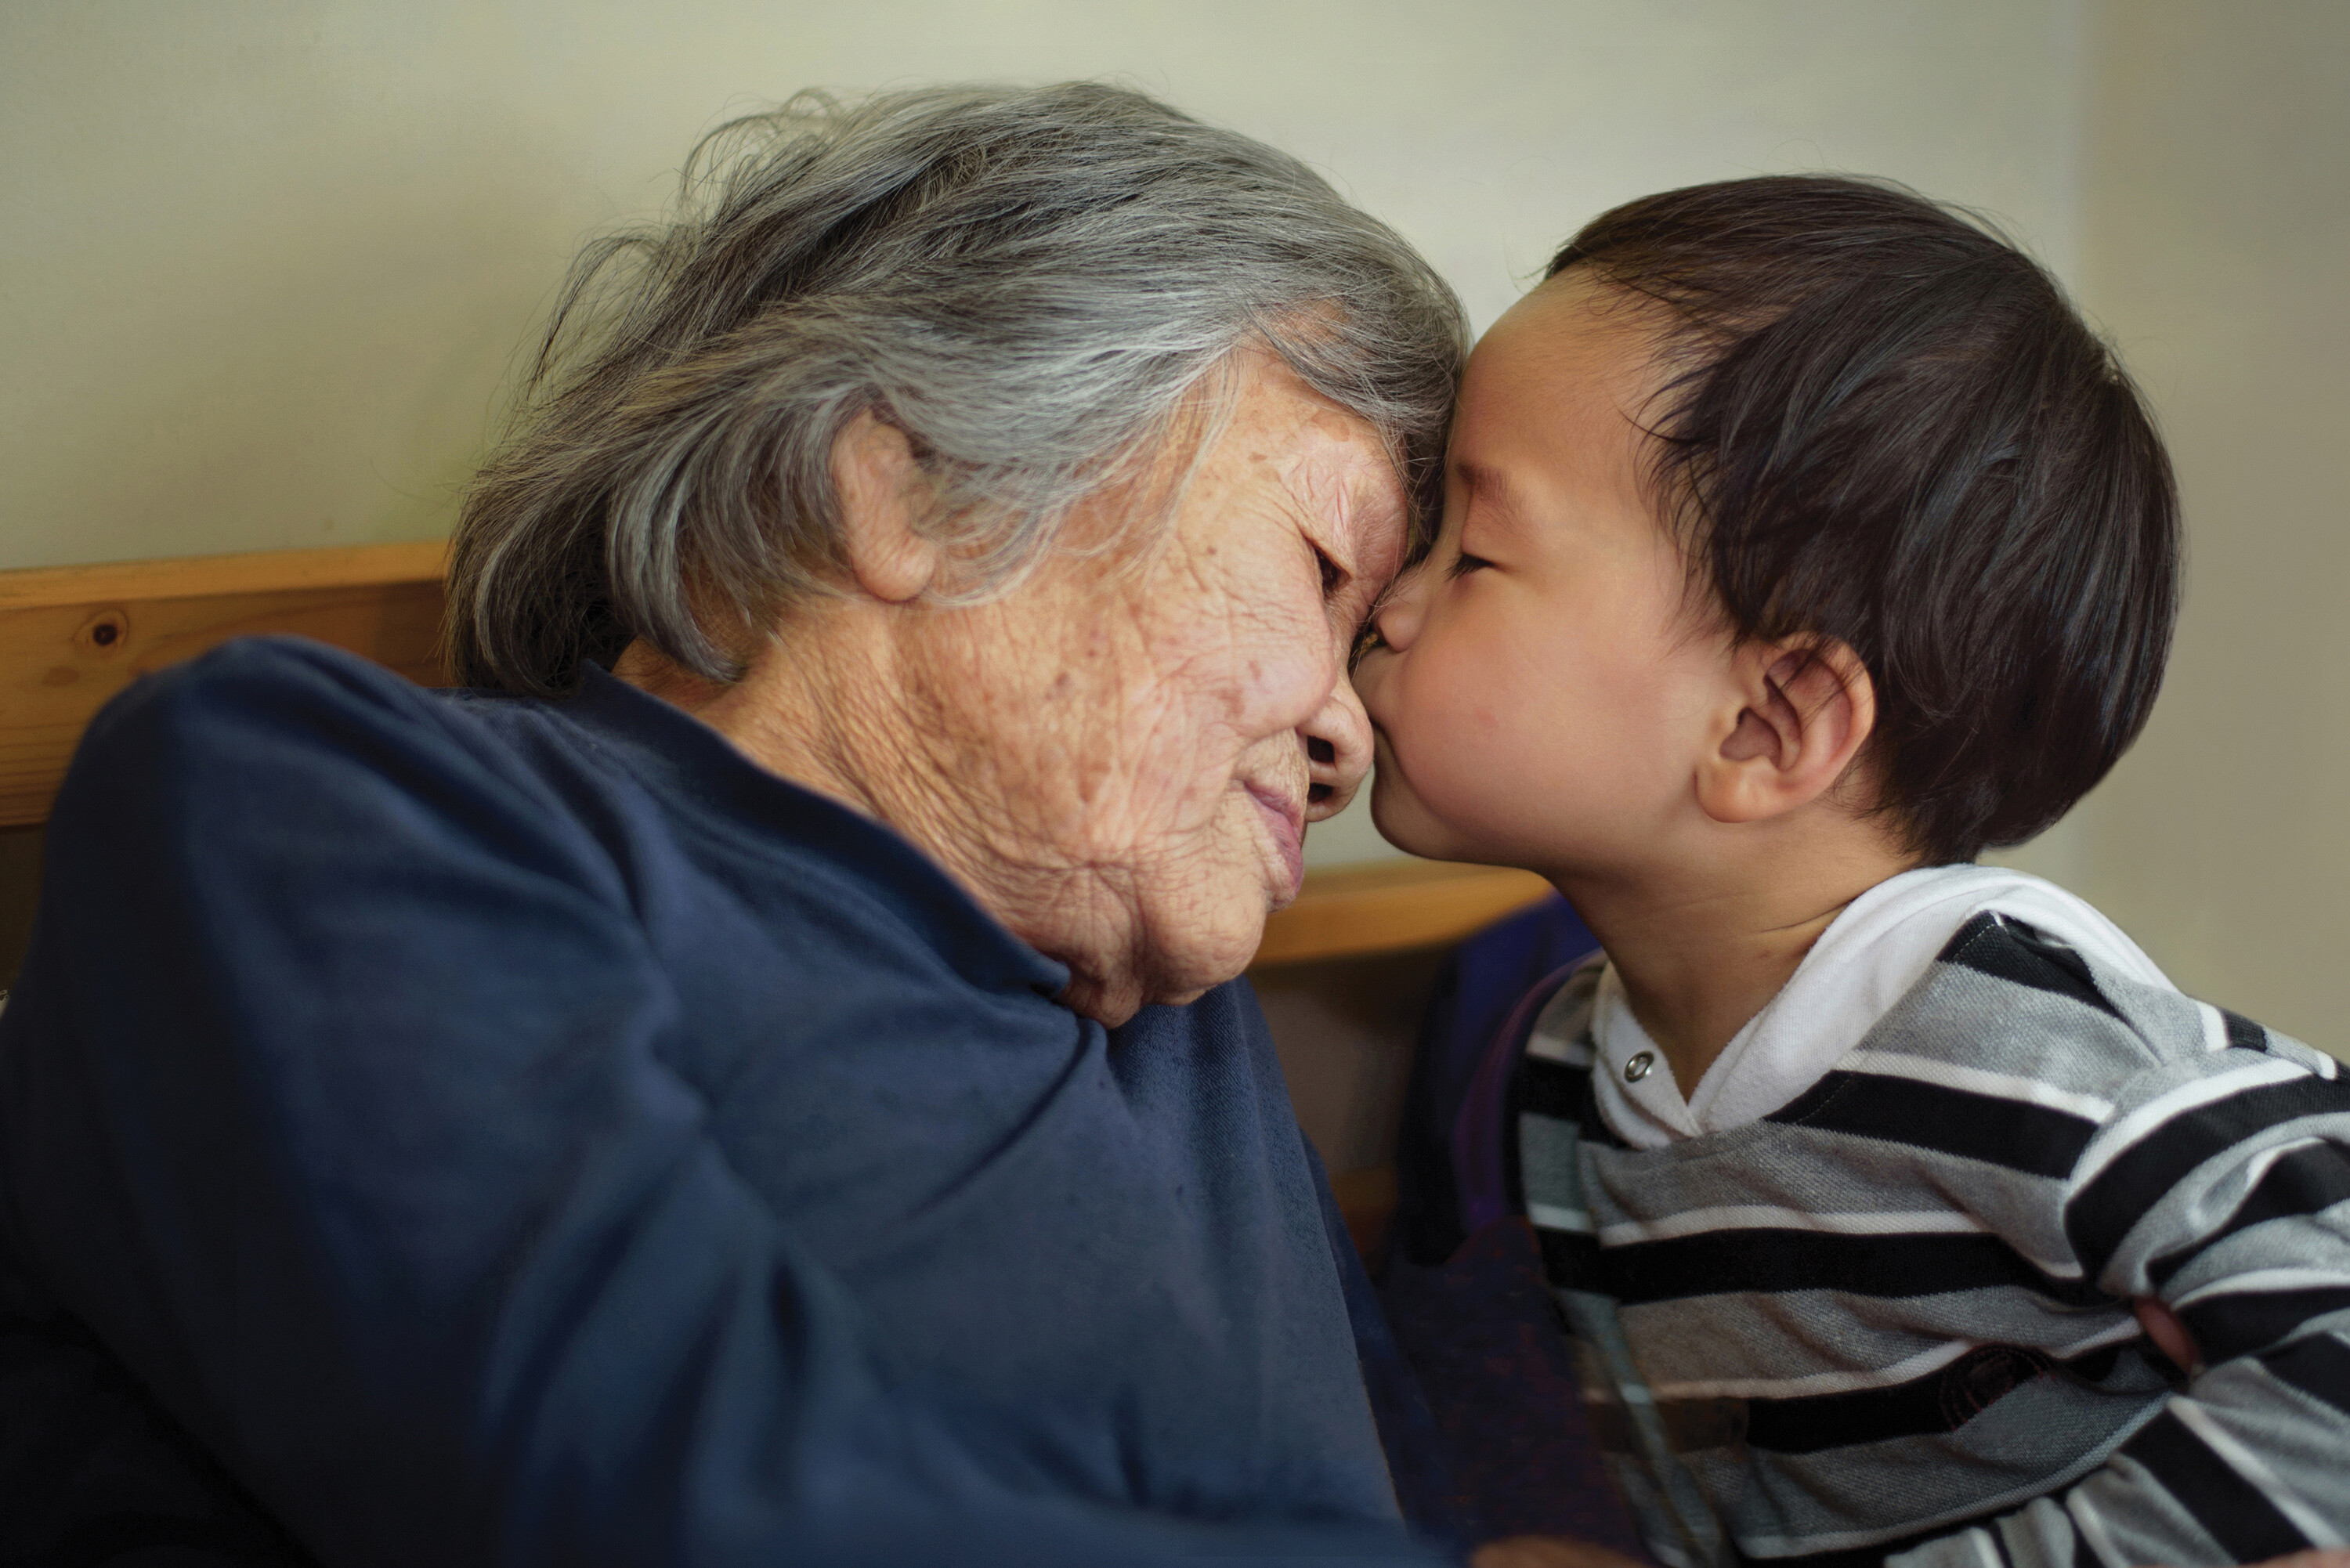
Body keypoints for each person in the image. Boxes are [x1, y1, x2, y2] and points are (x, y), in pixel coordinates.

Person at [0, 82, 1500, 1565]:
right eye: (1320, 571)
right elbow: (665, 1494)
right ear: (918, 490)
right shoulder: (313, 809)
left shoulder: (1184, 1022)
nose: (1345, 734)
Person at [1355, 175, 2350, 1566]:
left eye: (1474, 551)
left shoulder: (2013, 1034)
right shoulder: (1559, 1076)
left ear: (1767, 727)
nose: (1385, 604)